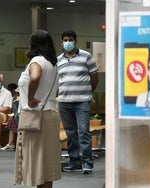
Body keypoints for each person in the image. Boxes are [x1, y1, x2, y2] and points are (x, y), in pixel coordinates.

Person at [14, 30, 61, 188]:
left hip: (36, 117)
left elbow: (35, 77)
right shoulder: (53, 63)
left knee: (36, 161)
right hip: (50, 114)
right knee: (46, 162)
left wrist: (30, 97)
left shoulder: (37, 61)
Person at [57, 29, 99, 174]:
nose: (68, 42)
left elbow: (94, 79)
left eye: (70, 40)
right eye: (65, 40)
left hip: (82, 101)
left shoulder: (86, 56)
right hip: (64, 101)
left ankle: (87, 162)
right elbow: (58, 81)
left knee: (83, 132)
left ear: (76, 40)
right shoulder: (58, 60)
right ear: (61, 42)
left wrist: (87, 93)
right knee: (71, 133)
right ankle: (74, 162)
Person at [1, 83, 19, 151]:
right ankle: (10, 143)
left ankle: (10, 143)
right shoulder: (15, 99)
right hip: (17, 116)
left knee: (13, 120)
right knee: (12, 120)